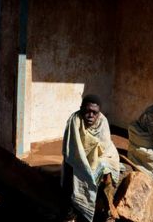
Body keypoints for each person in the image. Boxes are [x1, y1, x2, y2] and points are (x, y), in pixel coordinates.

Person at [62, 94, 120, 222]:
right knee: (71, 174)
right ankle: (70, 214)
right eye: (87, 111)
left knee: (107, 173)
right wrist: (84, 165)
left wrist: (95, 162)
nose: (90, 115)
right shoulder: (74, 121)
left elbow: (104, 147)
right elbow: (72, 151)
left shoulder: (103, 122)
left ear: (99, 113)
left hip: (101, 157)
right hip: (78, 158)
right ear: (81, 108)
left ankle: (108, 210)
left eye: (94, 112)